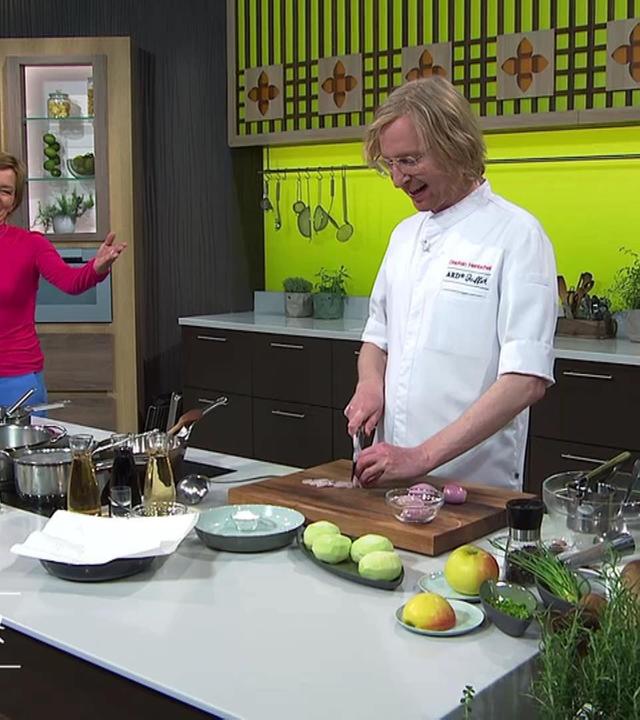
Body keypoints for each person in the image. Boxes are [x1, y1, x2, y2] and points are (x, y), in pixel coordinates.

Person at [346, 77, 557, 491]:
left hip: (474, 490)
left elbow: (525, 380)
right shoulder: (404, 236)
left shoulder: (518, 235)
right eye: (390, 164)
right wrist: (369, 384)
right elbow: (377, 337)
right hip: (392, 483)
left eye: (409, 161)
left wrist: (420, 457)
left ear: (454, 144)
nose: (397, 179)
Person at [0, 151, 126, 408]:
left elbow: (70, 281)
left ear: (14, 201)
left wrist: (96, 268)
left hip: (16, 380)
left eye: (5, 191)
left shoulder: (31, 245)